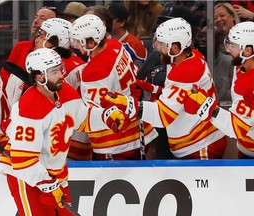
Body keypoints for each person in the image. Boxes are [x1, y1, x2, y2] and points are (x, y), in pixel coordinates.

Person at [0, 48, 130, 215]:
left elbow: (81, 117)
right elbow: (23, 160)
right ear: (39, 77)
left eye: (60, 69)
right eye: (54, 72)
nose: (61, 75)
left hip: (54, 172)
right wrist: (48, 184)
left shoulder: (63, 90)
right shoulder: (30, 108)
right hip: (26, 176)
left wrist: (105, 116)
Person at [101, 17, 228, 159]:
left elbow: (163, 116)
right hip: (195, 141)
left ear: (175, 47)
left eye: (161, 44)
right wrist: (156, 91)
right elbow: (181, 98)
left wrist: (128, 104)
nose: (157, 48)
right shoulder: (190, 56)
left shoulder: (186, 72)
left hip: (201, 144)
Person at [71, 14, 158, 160]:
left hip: (116, 143)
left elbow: (94, 112)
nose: (77, 45)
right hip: (140, 127)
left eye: (80, 41)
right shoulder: (115, 45)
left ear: (92, 42)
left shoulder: (94, 72)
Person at [183, 21, 254, 159]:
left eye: (233, 45)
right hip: (245, 149)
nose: (227, 50)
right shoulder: (240, 65)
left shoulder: (249, 84)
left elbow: (237, 128)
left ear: (247, 50)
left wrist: (208, 108)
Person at [37, 17, 92, 160]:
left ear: (56, 40)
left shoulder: (57, 68)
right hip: (81, 136)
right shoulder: (77, 61)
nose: (37, 39)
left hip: (66, 138)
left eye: (42, 35)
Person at [0, 6, 57, 106]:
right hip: (15, 105)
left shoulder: (56, 55)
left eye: (42, 18)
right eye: (36, 17)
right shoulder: (20, 47)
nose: (35, 21)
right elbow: (5, 76)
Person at [107, 2, 147, 70]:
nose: (105, 22)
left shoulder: (135, 45)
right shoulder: (105, 41)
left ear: (122, 22)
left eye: (109, 20)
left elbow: (138, 74)